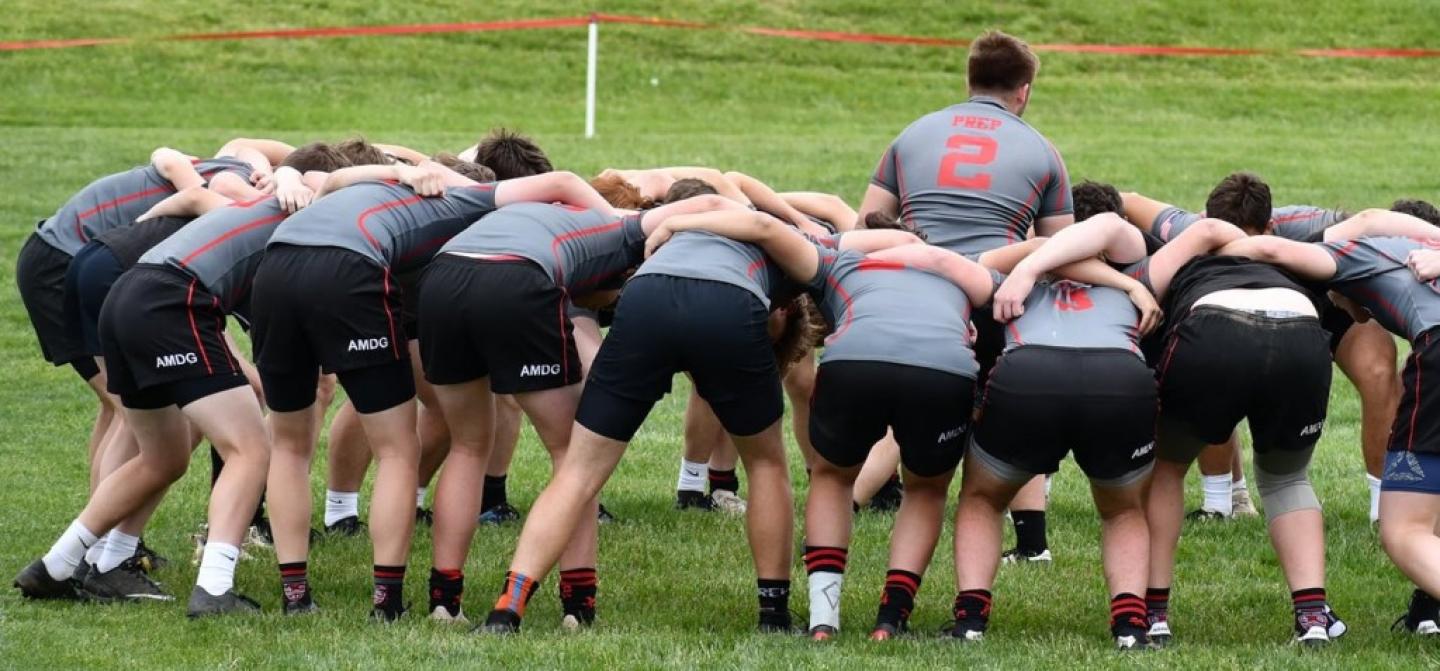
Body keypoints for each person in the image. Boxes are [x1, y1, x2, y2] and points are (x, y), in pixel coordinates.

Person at [478, 198, 908, 635]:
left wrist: (674, 226)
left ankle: (506, 610)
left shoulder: (707, 233)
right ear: (786, 310)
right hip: (723, 303)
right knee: (765, 464)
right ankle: (773, 617)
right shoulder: (797, 246)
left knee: (578, 470)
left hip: (646, 298)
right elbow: (865, 237)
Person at [252, 161, 614, 620]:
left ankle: (295, 597)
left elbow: (330, 177)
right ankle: (388, 604)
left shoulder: (382, 188)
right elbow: (563, 181)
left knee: (288, 443)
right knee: (398, 449)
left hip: (275, 267)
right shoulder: (466, 199)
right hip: (347, 269)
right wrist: (616, 222)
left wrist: (398, 168)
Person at [12, 158, 334, 616]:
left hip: (125, 294)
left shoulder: (269, 202)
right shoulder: (302, 218)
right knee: (250, 447)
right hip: (168, 301)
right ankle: (214, 590)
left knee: (164, 456)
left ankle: (57, 566)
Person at [418, 193, 739, 625]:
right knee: (574, 457)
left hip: (441, 279)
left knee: (468, 445)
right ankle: (578, 607)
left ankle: (444, 601)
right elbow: (714, 202)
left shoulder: (545, 217)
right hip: (515, 278)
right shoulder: (626, 228)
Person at [1122, 174, 1414, 523]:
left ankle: (1384, 508)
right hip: (1229, 310)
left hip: (1326, 296)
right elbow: (1124, 200)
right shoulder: (1191, 228)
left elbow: (1372, 223)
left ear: (1271, 226)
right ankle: (1224, 502)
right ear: (1206, 222)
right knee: (1215, 361)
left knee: (1377, 368)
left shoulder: (1308, 226)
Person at [1210, 218, 1440, 638]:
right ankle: (1429, 607)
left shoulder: (1355, 253)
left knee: (1404, 531)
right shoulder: (1423, 246)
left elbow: (1270, 251)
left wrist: (1192, 265)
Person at [954, 214, 1164, 649]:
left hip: (1030, 374)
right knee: (1124, 510)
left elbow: (1017, 254)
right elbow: (1106, 226)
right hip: (1118, 377)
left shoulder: (1010, 272)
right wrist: (1126, 284)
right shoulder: (1138, 273)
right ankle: (1129, 627)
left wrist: (1033, 263)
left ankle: (970, 621)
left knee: (981, 497)